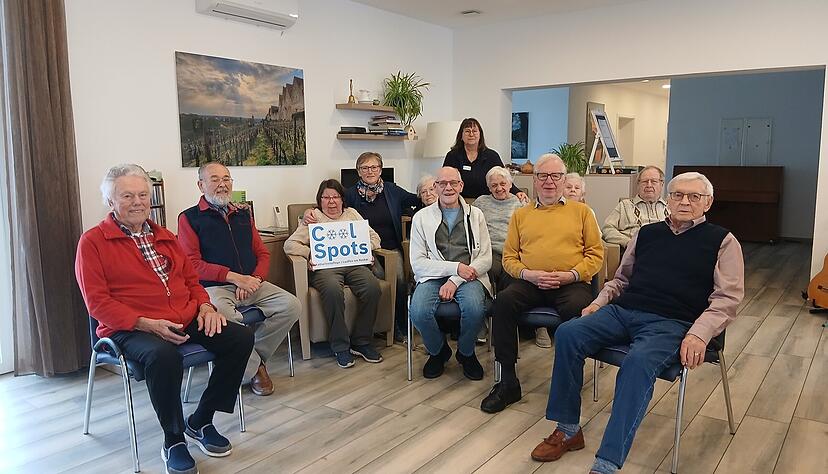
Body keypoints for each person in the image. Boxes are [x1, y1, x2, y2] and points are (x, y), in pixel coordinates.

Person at [531, 172, 744, 474]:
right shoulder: (646, 233)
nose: (685, 201)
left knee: (637, 362)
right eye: (678, 195)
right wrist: (597, 303)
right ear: (667, 199)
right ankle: (567, 430)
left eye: (694, 196)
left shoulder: (723, 241)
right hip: (624, 312)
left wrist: (699, 334)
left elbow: (727, 298)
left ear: (707, 202)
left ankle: (607, 462)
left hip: (674, 322)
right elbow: (620, 280)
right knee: (568, 333)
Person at [76, 164, 254, 474]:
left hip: (182, 317)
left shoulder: (166, 237)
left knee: (240, 337)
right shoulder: (92, 243)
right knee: (162, 355)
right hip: (129, 327)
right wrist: (145, 323)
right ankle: (173, 440)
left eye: (143, 194)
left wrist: (205, 308)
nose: (137, 201)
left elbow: (192, 282)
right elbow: (97, 303)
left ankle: (200, 421)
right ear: (111, 202)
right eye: (127, 195)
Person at [480, 153, 603, 413]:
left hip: (570, 282)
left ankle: (567, 381)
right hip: (530, 281)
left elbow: (595, 255)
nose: (549, 181)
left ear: (563, 179)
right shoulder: (521, 215)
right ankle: (508, 382)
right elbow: (510, 258)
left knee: (577, 310)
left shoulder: (582, 213)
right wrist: (528, 274)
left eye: (555, 176)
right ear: (534, 181)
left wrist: (570, 274)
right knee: (503, 302)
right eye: (543, 176)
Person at [177, 162, 301, 397]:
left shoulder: (243, 213)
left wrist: (254, 278)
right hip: (214, 288)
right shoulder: (189, 218)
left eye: (227, 179)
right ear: (201, 185)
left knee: (291, 305)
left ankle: (250, 360)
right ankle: (256, 369)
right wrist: (235, 278)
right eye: (215, 179)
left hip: (250, 283)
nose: (222, 184)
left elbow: (262, 253)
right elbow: (192, 265)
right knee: (226, 318)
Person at [304, 152, 419, 342]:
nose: (370, 171)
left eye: (374, 167)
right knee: (380, 278)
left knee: (397, 278)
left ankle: (399, 325)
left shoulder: (392, 190)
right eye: (365, 168)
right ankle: (381, 327)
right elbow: (327, 206)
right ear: (358, 171)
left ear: (381, 169)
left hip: (387, 247)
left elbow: (415, 200)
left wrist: (430, 194)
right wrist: (309, 212)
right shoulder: (349, 194)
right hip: (360, 254)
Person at [284, 179, 384, 369]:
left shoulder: (352, 214)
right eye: (326, 197)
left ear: (342, 199)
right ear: (319, 200)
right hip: (326, 268)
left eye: (335, 197)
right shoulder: (314, 217)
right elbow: (289, 244)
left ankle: (361, 342)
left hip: (354, 265)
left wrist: (365, 250)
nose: (331, 202)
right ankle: (340, 346)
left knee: (372, 287)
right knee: (332, 290)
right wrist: (309, 254)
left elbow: (375, 237)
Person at [409, 167, 493, 380]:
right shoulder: (421, 218)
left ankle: (466, 353)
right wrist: (454, 269)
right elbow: (418, 264)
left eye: (453, 183)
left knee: (475, 308)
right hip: (433, 275)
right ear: (435, 187)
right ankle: (439, 351)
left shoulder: (476, 215)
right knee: (418, 311)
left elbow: (485, 258)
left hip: (469, 276)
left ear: (461, 186)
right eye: (443, 183)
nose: (448, 187)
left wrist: (455, 280)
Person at [443, 117, 528, 202]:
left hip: (487, 203)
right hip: (460, 202)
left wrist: (517, 192)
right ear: (461, 136)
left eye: (475, 131)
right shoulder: (452, 156)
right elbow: (444, 180)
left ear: (480, 135)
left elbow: (504, 179)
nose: (471, 134)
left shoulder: (492, 156)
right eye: (467, 131)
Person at [602, 165, 668, 250]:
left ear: (661, 184)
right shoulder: (625, 205)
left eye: (654, 181)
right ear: (638, 184)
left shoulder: (670, 207)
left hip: (664, 250)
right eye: (644, 181)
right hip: (636, 251)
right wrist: (628, 242)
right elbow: (607, 229)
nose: (649, 185)